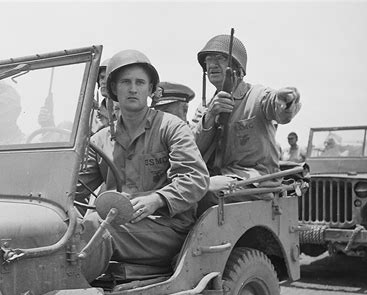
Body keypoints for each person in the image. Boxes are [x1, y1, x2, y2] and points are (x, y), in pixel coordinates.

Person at [76, 49, 209, 282]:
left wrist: (156, 199)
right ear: (113, 89)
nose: (133, 88)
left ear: (151, 90)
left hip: (165, 229)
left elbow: (195, 179)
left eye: (140, 82)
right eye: (126, 82)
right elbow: (74, 189)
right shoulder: (100, 140)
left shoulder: (171, 127)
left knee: (94, 227)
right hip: (116, 225)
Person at [191, 33, 301, 213]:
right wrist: (210, 116)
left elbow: (276, 107)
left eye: (220, 58)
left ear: (237, 67)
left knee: (204, 192)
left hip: (255, 182)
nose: (212, 64)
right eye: (208, 60)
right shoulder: (204, 109)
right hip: (219, 180)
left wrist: (285, 102)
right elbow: (192, 150)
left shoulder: (256, 96)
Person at [91, 58, 120, 135]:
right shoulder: (93, 116)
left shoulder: (128, 112)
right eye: (102, 77)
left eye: (108, 78)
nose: (103, 82)